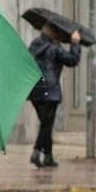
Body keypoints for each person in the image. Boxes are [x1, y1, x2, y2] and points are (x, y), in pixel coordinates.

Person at [27, 25, 82, 168]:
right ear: (55, 33)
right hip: (50, 92)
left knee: (46, 125)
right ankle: (36, 152)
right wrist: (75, 44)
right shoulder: (54, 48)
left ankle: (48, 157)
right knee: (46, 125)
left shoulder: (34, 46)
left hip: (35, 91)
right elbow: (72, 60)